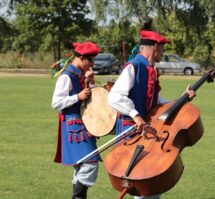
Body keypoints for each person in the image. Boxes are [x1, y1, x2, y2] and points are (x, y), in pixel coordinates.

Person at [108, 30, 195, 199]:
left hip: (147, 131)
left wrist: (182, 99)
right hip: (131, 130)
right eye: (162, 49)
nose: (163, 52)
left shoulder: (150, 69)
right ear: (154, 48)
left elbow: (156, 102)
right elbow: (115, 97)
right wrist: (136, 115)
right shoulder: (134, 67)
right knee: (141, 182)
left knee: (152, 181)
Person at [52, 41, 101, 199]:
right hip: (73, 126)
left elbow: (90, 98)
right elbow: (56, 103)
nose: (92, 64)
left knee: (80, 166)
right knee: (90, 162)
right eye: (90, 60)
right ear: (81, 58)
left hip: (84, 123)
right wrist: (77, 97)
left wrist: (91, 81)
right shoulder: (66, 76)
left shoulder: (80, 75)